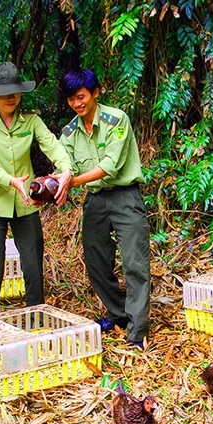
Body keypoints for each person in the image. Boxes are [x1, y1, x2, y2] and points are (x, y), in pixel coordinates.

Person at [0, 62, 73, 313]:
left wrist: (66, 169)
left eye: (14, 91)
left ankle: (37, 324)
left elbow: (52, 145)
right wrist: (11, 180)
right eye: (4, 92)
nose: (10, 97)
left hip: (25, 206)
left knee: (34, 271)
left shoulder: (31, 119)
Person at [59, 69, 150, 349]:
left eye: (81, 97)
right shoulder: (69, 133)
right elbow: (64, 165)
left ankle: (136, 330)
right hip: (96, 202)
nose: (77, 104)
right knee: (96, 260)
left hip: (125, 196)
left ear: (95, 93)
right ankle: (118, 312)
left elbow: (110, 166)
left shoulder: (116, 120)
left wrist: (71, 181)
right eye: (72, 99)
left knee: (135, 263)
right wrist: (54, 183)